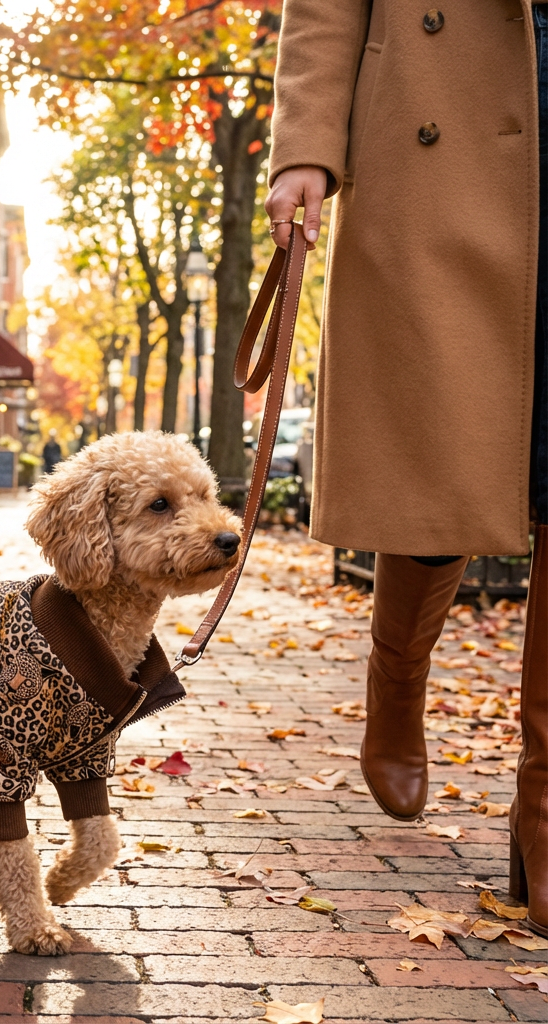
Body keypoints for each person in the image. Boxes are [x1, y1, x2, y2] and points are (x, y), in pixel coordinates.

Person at [265, 2, 547, 936]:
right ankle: (397, 679)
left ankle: (543, 817)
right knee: (442, 435)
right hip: (438, 110)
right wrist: (305, 142)